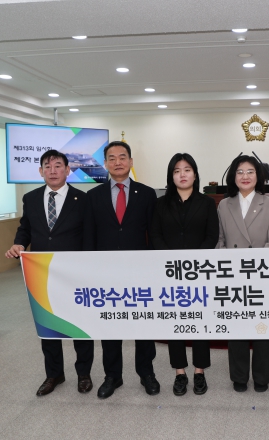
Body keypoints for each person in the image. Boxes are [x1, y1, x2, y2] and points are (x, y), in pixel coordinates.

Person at [5, 149, 94, 397]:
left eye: (57, 166)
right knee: (48, 323)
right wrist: (19, 243)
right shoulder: (31, 198)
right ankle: (54, 374)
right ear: (40, 171)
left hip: (74, 274)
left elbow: (88, 235)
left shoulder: (82, 199)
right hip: (42, 272)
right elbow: (25, 228)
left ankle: (84, 373)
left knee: (79, 324)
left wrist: (88, 269)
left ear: (67, 170)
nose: (52, 170)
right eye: (47, 166)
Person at [83, 141, 159, 399]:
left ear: (131, 162)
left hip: (140, 271)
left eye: (122, 157)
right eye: (112, 158)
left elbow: (153, 234)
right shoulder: (93, 196)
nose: (118, 162)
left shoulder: (146, 194)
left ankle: (146, 373)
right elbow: (89, 236)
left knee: (143, 324)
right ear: (105, 163)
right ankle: (112, 376)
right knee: (110, 325)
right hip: (106, 272)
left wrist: (154, 268)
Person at [150, 153, 219, 396]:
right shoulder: (160, 203)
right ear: (171, 176)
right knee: (175, 322)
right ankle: (180, 372)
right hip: (170, 272)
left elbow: (212, 236)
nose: (182, 174)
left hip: (198, 272)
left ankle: (199, 371)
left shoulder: (206, 203)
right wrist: (172, 260)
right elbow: (155, 235)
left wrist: (194, 261)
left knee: (199, 321)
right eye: (177, 170)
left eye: (187, 169)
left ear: (195, 174)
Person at [216, 155, 269, 392]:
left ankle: (262, 377)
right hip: (233, 276)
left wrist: (254, 267)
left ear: (258, 176)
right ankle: (239, 376)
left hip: (261, 275)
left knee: (262, 327)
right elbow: (220, 241)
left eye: (250, 171)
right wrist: (230, 264)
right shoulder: (224, 205)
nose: (245, 176)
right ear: (233, 176)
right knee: (237, 327)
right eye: (240, 172)